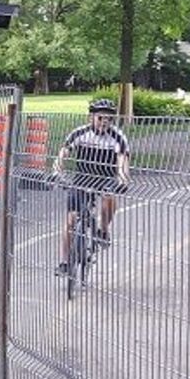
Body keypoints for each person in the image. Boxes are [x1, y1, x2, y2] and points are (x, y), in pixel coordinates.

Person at [56, 97, 130, 275]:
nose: (104, 122)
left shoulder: (118, 137)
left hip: (105, 179)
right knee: (71, 220)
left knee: (109, 199)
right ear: (91, 117)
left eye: (109, 119)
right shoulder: (79, 133)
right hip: (82, 178)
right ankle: (64, 262)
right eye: (100, 118)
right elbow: (64, 152)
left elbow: (122, 160)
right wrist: (57, 171)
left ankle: (103, 231)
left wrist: (123, 179)